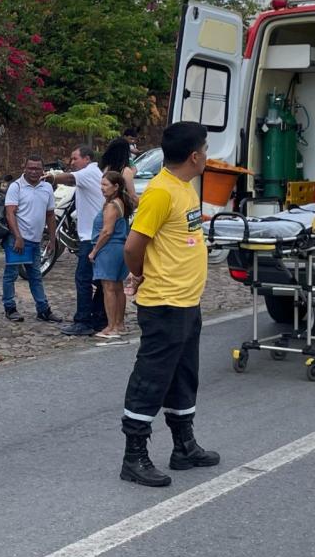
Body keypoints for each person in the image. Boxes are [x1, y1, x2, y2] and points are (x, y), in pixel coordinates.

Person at [119, 121, 219, 488]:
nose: (208, 155)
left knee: (183, 375)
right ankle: (134, 456)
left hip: (186, 302)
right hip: (163, 302)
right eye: (206, 149)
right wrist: (139, 274)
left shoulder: (185, 188)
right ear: (194, 156)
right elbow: (133, 246)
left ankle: (184, 446)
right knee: (152, 378)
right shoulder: (161, 192)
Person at [46, 145, 108, 336]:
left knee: (83, 279)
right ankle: (99, 318)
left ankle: (83, 320)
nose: (71, 163)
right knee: (99, 281)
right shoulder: (94, 173)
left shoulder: (88, 172)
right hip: (95, 235)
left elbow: (70, 178)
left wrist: (51, 178)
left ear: (87, 159)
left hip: (90, 237)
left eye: (75, 159)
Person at [3, 153, 62, 324]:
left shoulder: (47, 188)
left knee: (35, 275)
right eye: (31, 168)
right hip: (17, 240)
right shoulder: (16, 187)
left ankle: (43, 309)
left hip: (36, 240)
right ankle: (10, 307)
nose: (34, 172)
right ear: (25, 168)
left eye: (37, 168)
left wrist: (52, 238)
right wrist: (18, 237)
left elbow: (50, 215)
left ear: (43, 170)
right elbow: (10, 213)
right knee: (11, 275)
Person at [89, 171, 134, 338]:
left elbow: (107, 231)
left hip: (109, 249)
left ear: (116, 187)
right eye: (101, 184)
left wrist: (94, 251)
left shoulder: (111, 206)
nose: (102, 188)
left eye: (105, 185)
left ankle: (111, 326)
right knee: (118, 287)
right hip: (119, 249)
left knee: (109, 288)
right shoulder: (121, 203)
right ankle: (119, 324)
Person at [99, 136, 139, 205]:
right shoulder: (125, 171)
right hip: (120, 209)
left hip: (107, 206)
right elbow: (133, 197)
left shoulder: (106, 168)